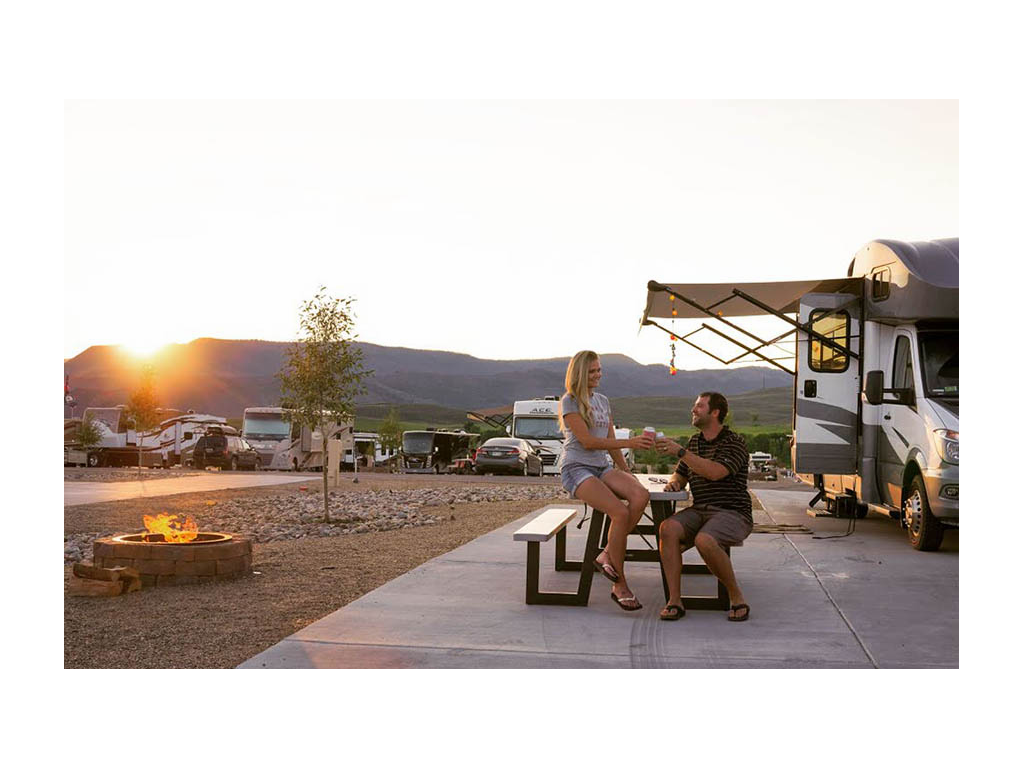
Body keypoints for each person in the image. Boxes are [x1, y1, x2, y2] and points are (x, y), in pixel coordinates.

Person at [559, 351, 654, 611]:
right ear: (579, 373)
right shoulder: (570, 401)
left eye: (599, 370)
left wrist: (626, 470)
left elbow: (610, 442)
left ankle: (606, 555)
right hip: (577, 467)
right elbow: (588, 442)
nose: (598, 375)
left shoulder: (602, 400)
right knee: (620, 513)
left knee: (641, 495)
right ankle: (619, 585)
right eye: (592, 371)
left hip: (601, 466)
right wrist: (630, 442)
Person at [654, 392, 752, 622]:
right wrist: (675, 482)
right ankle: (674, 600)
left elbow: (714, 472)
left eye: (699, 406)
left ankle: (736, 597)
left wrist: (680, 452)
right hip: (700, 510)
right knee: (667, 528)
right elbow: (680, 473)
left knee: (705, 540)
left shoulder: (734, 442)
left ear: (715, 412)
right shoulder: (695, 442)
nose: (693, 410)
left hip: (733, 512)